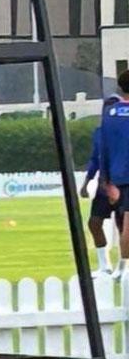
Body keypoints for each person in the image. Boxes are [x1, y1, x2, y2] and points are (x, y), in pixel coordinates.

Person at [80, 96, 122, 277]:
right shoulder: (99, 132)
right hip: (104, 186)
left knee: (123, 228)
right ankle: (104, 265)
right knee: (94, 223)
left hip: (123, 185)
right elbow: (95, 159)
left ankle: (123, 267)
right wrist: (87, 182)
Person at [99, 70, 129, 281]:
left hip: (118, 175)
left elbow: (104, 147)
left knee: (126, 222)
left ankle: (122, 268)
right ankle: (124, 270)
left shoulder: (109, 113)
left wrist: (106, 180)